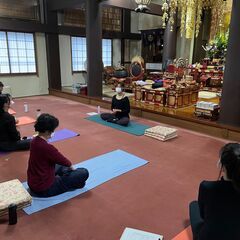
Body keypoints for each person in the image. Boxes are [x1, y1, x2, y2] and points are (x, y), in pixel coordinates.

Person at [27, 113, 89, 197]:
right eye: (53, 130)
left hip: (33, 184)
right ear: (47, 131)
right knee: (83, 172)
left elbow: (61, 161)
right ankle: (71, 180)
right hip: (44, 189)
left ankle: (69, 179)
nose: (53, 132)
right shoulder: (47, 147)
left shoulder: (33, 141)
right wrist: (71, 169)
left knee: (60, 165)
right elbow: (67, 162)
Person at [189, 143, 240, 240]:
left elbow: (203, 215)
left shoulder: (207, 187)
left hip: (209, 237)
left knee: (193, 205)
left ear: (223, 166)